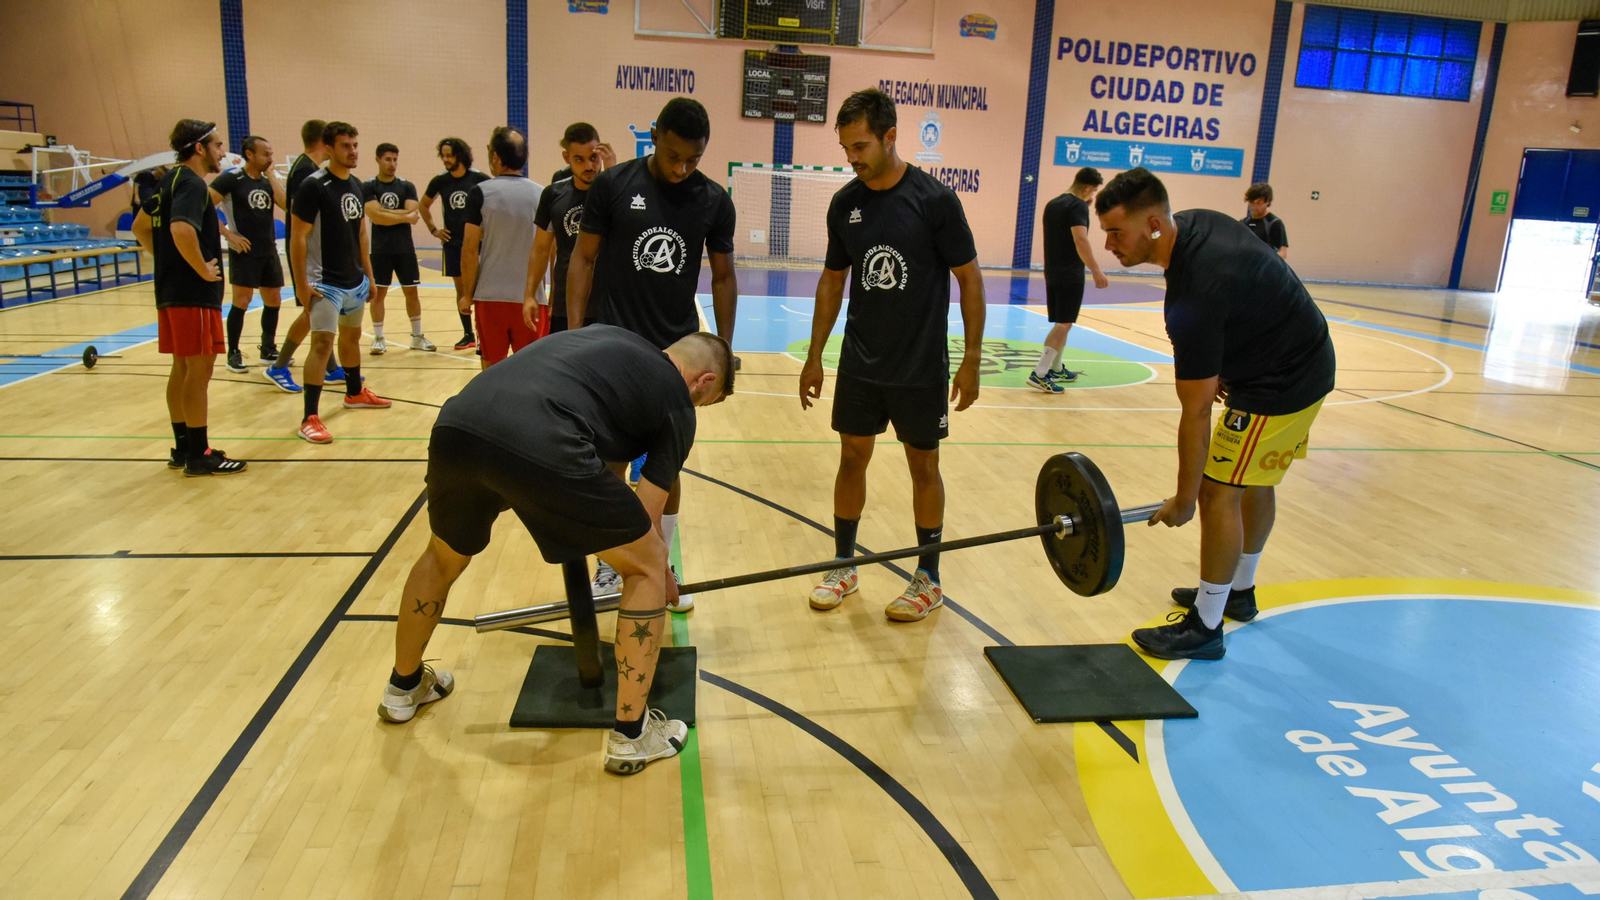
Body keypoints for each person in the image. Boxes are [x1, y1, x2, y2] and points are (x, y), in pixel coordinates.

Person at [379, 326, 734, 776]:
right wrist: (659, 571)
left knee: (442, 557)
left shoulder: (610, 342)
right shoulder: (678, 403)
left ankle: (403, 688)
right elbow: (644, 516)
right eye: (708, 399)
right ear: (703, 381)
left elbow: (603, 462)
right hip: (542, 432)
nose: (700, 407)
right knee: (644, 568)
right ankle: (631, 735)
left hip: (459, 423)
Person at [1094, 167, 1334, 660]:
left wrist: (1185, 497)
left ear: (1155, 225)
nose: (1109, 245)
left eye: (1117, 233)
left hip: (1283, 381)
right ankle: (1238, 593)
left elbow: (1197, 409)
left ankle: (1205, 626)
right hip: (1297, 355)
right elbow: (1253, 290)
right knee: (1254, 479)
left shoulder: (1197, 294)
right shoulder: (1194, 225)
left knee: (1217, 490)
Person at [798, 88, 985, 622]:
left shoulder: (934, 201)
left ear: (890, 136)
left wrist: (970, 359)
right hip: (861, 362)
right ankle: (843, 563)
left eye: (860, 146)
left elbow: (969, 280)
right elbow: (833, 282)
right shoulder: (845, 205)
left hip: (920, 365)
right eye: (846, 148)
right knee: (851, 457)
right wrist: (816, 357)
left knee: (923, 465)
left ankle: (929, 577)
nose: (852, 157)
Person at [567, 97, 738, 609]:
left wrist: (724, 352)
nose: (682, 168)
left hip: (676, 354)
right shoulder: (613, 185)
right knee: (610, 462)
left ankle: (661, 561)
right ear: (655, 136)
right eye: (673, 156)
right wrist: (575, 336)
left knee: (666, 467)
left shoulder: (713, 200)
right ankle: (610, 564)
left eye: (694, 159)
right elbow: (582, 260)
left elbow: (725, 276)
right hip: (613, 347)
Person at [130, 119, 246, 477]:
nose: (223, 153)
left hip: (171, 291)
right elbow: (181, 229)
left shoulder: (168, 180)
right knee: (200, 369)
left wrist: (167, 263)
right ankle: (199, 454)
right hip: (192, 294)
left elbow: (140, 227)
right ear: (200, 148)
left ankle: (184, 447)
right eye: (218, 145)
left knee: (182, 368)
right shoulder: (193, 184)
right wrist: (199, 270)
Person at [287, 121, 392, 444]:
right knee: (321, 344)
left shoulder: (357, 185)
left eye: (355, 145)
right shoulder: (313, 186)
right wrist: (302, 284)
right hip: (324, 284)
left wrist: (369, 277)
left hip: (353, 280)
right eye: (346, 146)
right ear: (329, 148)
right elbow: (298, 237)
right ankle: (309, 417)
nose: (353, 151)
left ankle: (354, 392)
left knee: (351, 340)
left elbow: (361, 234)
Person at [264, 119, 349, 391]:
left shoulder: (308, 167)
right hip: (309, 256)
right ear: (325, 143)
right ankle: (278, 366)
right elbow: (298, 218)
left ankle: (332, 368)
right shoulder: (305, 172)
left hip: (319, 255)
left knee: (323, 312)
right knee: (314, 311)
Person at [459, 127, 542, 367]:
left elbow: (469, 249)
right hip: (533, 297)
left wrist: (467, 294)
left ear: (495, 156)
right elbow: (551, 250)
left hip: (491, 297)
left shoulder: (480, 193)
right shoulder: (543, 194)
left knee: (491, 367)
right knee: (532, 369)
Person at [523, 122, 614, 335]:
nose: (589, 166)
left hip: (608, 304)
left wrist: (612, 173)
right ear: (566, 158)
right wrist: (530, 295)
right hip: (567, 304)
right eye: (579, 159)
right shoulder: (553, 195)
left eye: (593, 158)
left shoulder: (616, 190)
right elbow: (540, 249)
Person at [209, 135, 287, 373]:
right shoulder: (231, 180)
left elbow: (285, 204)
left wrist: (272, 175)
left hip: (268, 249)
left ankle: (268, 348)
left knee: (273, 300)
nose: (270, 158)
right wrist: (228, 235)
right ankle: (233, 352)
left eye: (271, 154)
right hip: (244, 251)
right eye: (266, 154)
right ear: (250, 155)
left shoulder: (267, 181)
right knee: (241, 302)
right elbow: (203, 207)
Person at [1031, 167, 1110, 393]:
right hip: (1070, 273)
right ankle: (1040, 373)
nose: (1092, 196)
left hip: (1052, 272)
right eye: (1093, 191)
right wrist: (1096, 269)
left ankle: (1055, 368)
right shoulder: (1077, 206)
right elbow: (1080, 239)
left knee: (1063, 322)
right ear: (1086, 189)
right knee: (1064, 324)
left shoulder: (1053, 204)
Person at [363, 143, 435, 354]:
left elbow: (413, 214)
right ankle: (378, 338)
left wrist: (385, 213)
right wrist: (401, 215)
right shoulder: (368, 186)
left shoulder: (407, 186)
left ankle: (417, 337)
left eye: (395, 159)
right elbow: (375, 216)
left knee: (411, 293)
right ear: (378, 160)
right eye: (387, 159)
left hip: (404, 249)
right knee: (379, 294)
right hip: (380, 250)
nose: (392, 164)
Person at [421, 137, 489, 351]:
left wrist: (486, 231)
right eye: (443, 155)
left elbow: (493, 205)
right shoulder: (440, 181)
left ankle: (482, 336)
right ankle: (468, 334)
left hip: (477, 244)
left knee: (481, 289)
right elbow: (424, 205)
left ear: (460, 155)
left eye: (450, 155)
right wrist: (434, 230)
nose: (446, 159)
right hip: (453, 244)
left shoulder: (479, 178)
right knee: (461, 290)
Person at [1242, 182, 1289, 262]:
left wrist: (1266, 260)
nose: (1254, 207)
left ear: (1267, 202)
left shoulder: (1274, 223)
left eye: (1259, 203)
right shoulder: (1243, 222)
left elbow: (1283, 253)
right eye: (1252, 202)